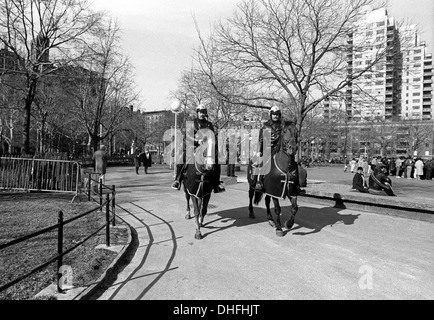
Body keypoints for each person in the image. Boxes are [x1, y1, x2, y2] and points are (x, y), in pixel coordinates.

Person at [171, 104, 225, 193]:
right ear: (197, 113)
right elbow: (188, 135)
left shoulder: (209, 124)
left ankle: (216, 183)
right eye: (200, 112)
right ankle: (178, 180)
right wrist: (197, 141)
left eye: (203, 112)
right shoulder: (192, 123)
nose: (202, 114)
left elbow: (212, 135)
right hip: (194, 146)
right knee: (182, 157)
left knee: (216, 160)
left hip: (206, 147)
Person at [255, 105, 302, 194]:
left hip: (280, 147)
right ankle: (259, 182)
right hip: (268, 148)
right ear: (271, 115)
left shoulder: (283, 125)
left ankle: (297, 185)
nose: (275, 116)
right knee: (263, 163)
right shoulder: (266, 126)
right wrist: (259, 151)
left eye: (277, 114)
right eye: (274, 114)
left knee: (294, 164)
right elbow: (261, 139)